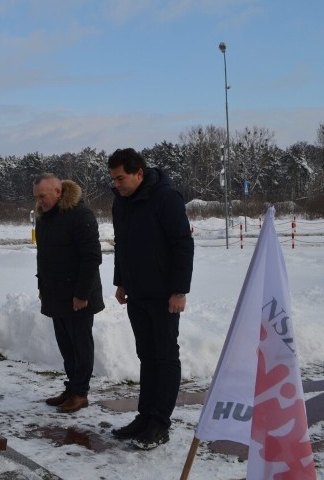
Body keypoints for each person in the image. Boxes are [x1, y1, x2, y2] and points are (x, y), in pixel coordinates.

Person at [107, 148, 194, 450]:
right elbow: (123, 245)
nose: (116, 184)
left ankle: (160, 422)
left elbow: (182, 244)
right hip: (137, 293)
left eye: (121, 178)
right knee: (147, 355)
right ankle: (145, 417)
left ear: (139, 173)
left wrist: (179, 290)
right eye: (113, 179)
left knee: (165, 356)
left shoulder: (165, 198)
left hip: (165, 294)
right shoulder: (121, 202)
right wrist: (121, 282)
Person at [32, 173, 104, 413]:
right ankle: (71, 388)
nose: (39, 201)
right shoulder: (44, 219)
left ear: (58, 191)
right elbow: (44, 258)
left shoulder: (80, 215)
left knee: (80, 346)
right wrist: (43, 288)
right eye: (36, 197)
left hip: (78, 297)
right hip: (56, 295)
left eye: (43, 196)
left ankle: (81, 393)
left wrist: (82, 294)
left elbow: (92, 257)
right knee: (66, 346)